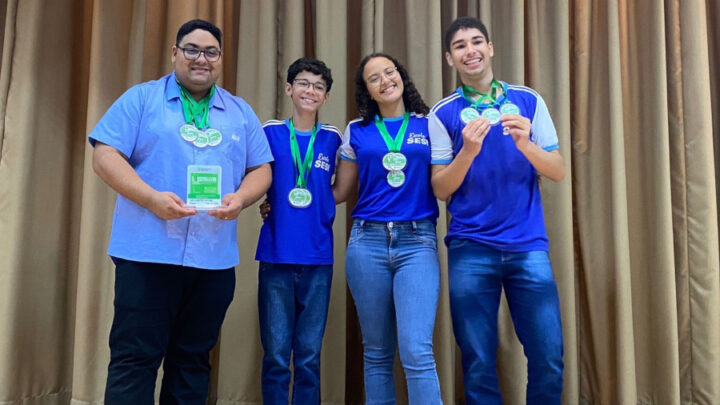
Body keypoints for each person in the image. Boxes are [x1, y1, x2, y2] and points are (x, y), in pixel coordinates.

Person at [88, 19, 273, 404]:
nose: (201, 59)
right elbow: (105, 156)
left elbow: (262, 169)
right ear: (175, 53)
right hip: (147, 253)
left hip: (213, 260)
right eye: (192, 49)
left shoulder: (239, 112)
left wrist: (241, 198)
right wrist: (151, 198)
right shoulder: (141, 99)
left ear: (221, 59)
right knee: (134, 359)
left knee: (192, 361)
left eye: (211, 52)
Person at [428, 16, 566, 404]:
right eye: (460, 46)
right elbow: (440, 189)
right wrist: (467, 152)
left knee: (548, 357)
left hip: (528, 247)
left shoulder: (528, 100)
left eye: (476, 42)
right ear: (450, 58)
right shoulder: (443, 113)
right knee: (477, 361)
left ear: (490, 48)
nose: (469, 50)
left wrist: (526, 145)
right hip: (471, 248)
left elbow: (557, 171)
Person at [332, 53, 443, 404]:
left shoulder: (430, 125)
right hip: (367, 243)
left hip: (416, 242)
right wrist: (285, 195)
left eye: (389, 72)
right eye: (374, 78)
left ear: (401, 76)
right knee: (377, 352)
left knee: (417, 351)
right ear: (367, 91)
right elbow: (339, 192)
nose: (385, 81)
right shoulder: (356, 130)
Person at [255, 57, 341, 404]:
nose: (311, 91)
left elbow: (342, 187)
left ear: (326, 97)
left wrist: (319, 205)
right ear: (289, 89)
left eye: (318, 86)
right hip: (277, 253)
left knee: (308, 355)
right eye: (303, 83)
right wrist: (266, 201)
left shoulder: (334, 138)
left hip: (318, 256)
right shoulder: (269, 132)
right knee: (276, 354)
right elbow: (256, 178)